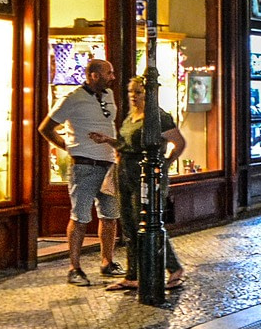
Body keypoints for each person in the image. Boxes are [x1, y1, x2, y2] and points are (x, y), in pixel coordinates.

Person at [38, 57, 123, 285]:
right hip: (84, 165)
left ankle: (107, 261)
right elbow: (46, 128)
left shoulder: (109, 96)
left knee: (110, 216)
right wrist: (68, 147)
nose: (113, 77)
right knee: (80, 217)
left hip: (108, 164)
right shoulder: (72, 98)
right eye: (109, 73)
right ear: (94, 75)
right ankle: (74, 268)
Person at [107, 75, 187, 292]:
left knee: (147, 221)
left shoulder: (159, 117)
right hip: (124, 173)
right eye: (131, 92)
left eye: (138, 92)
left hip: (147, 175)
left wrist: (166, 163)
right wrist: (107, 141)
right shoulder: (129, 117)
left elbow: (178, 142)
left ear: (149, 94)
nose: (133, 96)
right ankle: (132, 275)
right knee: (129, 224)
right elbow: (125, 144)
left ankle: (174, 268)